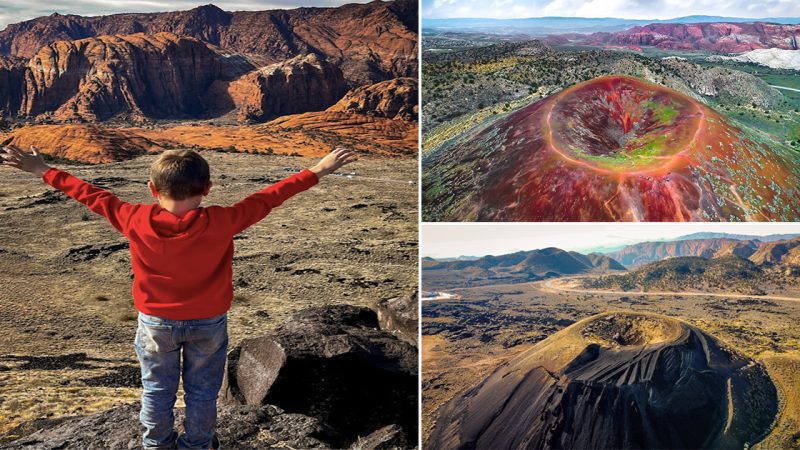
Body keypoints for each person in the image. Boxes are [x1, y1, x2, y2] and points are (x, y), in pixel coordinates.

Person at [1, 145, 357, 449]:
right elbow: (271, 196)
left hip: (156, 323)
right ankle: (198, 444)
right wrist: (319, 169)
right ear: (207, 188)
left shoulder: (133, 218)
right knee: (202, 392)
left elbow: (89, 193)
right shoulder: (223, 220)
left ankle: (157, 444)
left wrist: (41, 169)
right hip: (208, 322)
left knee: (157, 388)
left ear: (152, 188)